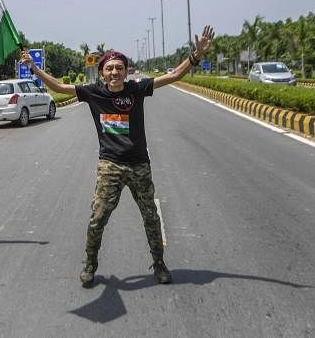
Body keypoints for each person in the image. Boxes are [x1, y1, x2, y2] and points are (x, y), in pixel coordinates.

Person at [21, 26, 215, 287]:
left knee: (151, 218)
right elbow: (57, 85)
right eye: (109, 68)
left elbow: (174, 75)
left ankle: (159, 263)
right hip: (109, 166)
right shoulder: (92, 92)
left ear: (126, 71)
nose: (114, 72)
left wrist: (196, 55)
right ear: (102, 72)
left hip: (139, 166)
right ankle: (90, 264)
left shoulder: (136, 89)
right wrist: (33, 68)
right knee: (98, 217)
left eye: (119, 68)